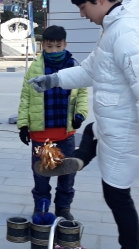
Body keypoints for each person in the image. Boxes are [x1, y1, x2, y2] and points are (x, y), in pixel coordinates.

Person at [28, 0, 139, 249]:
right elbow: (91, 69)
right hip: (111, 121)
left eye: (84, 7)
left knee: (117, 194)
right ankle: (80, 158)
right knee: (91, 131)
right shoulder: (114, 27)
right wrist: (55, 79)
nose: (83, 14)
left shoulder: (128, 31)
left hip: (125, 128)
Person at [17, 25, 88, 220]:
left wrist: (80, 114)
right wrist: (23, 124)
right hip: (41, 135)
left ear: (65, 44)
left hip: (66, 134)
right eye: (50, 46)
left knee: (67, 175)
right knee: (41, 175)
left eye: (58, 46)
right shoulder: (35, 68)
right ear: (43, 46)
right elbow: (26, 96)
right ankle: (41, 206)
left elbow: (81, 93)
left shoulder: (74, 65)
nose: (55, 50)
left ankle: (63, 208)